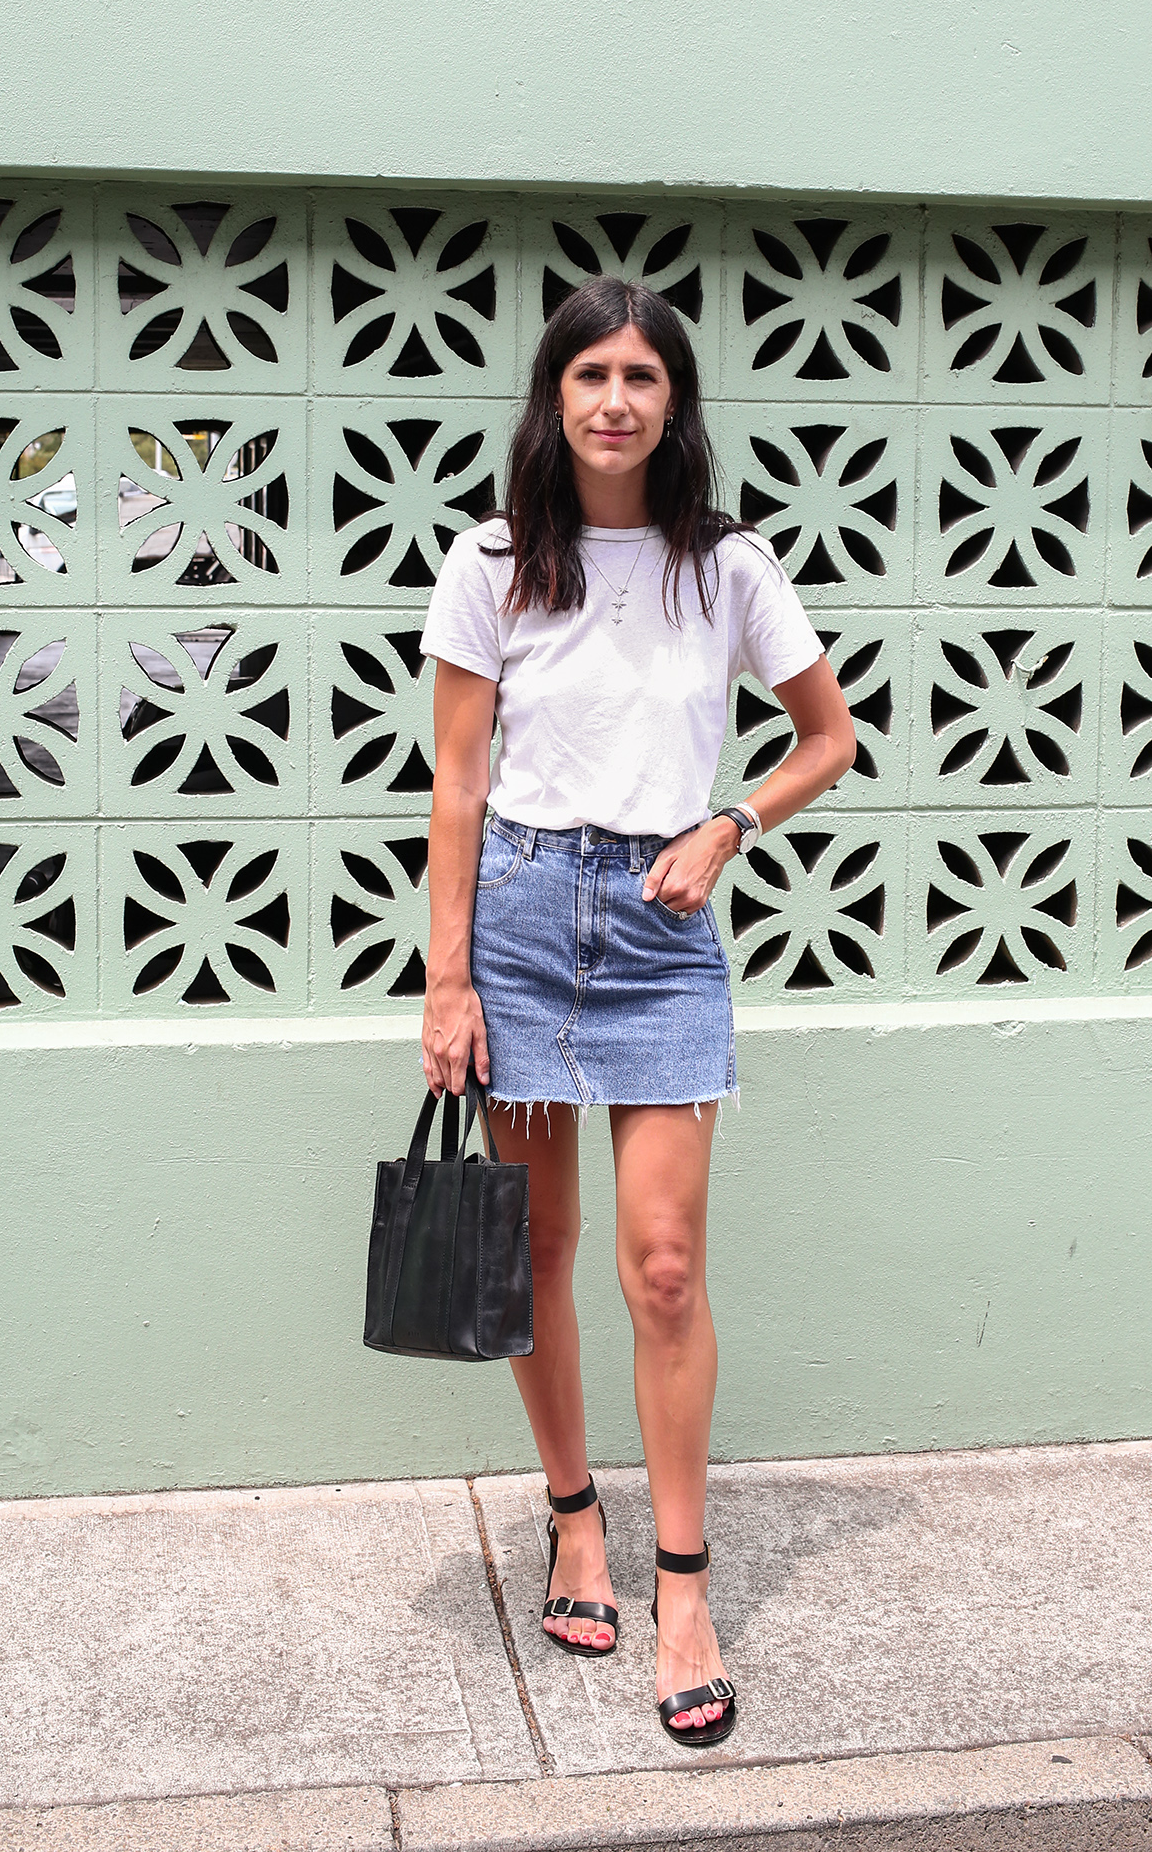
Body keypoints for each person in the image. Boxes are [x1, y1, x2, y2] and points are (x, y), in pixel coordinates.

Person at [418, 275, 856, 1746]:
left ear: (675, 404)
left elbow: (827, 737)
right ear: (554, 398)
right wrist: (448, 977)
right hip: (526, 927)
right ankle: (571, 1522)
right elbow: (459, 785)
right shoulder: (492, 562)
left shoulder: (725, 566)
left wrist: (728, 824)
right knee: (538, 1249)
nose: (615, 398)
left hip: (664, 936)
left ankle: (681, 1585)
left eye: (642, 377)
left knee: (662, 1267)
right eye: (590, 373)